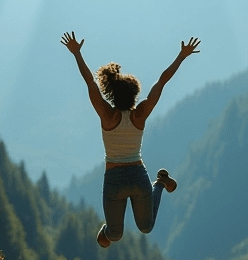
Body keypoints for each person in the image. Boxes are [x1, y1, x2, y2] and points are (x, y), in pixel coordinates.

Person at [61, 31, 201, 247]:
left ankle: (160, 184)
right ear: (134, 94)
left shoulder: (108, 115)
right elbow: (161, 82)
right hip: (135, 176)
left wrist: (77, 53)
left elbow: (90, 82)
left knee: (114, 236)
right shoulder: (140, 114)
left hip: (119, 178)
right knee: (146, 227)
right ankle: (159, 184)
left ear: (112, 94)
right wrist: (181, 56)